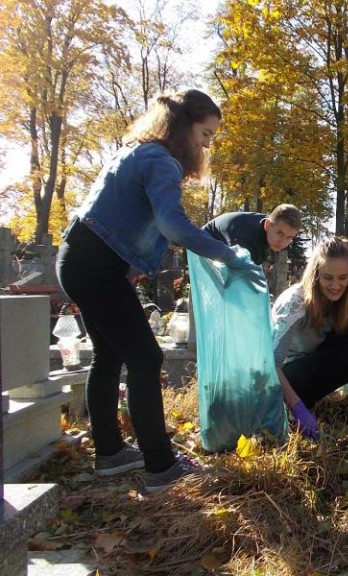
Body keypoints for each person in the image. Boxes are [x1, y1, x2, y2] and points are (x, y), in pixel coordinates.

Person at [56, 89, 242, 493]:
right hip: (95, 267)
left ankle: (109, 454)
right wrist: (226, 254)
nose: (207, 145)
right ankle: (161, 467)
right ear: (182, 125)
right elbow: (173, 225)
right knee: (145, 356)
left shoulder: (139, 152)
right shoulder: (161, 161)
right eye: (205, 134)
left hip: (77, 260)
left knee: (108, 356)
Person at [271, 237, 348, 440]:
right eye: (328, 278)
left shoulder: (344, 300)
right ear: (316, 275)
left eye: (342, 278)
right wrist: (297, 407)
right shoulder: (295, 303)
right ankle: (292, 411)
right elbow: (271, 363)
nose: (336, 285)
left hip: (317, 363)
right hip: (286, 376)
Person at [203, 204, 302, 265]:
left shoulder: (272, 225)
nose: (283, 242)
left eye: (289, 237)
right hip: (202, 244)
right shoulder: (246, 242)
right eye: (280, 233)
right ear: (268, 225)